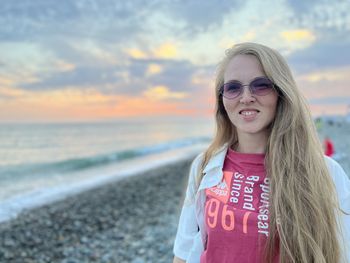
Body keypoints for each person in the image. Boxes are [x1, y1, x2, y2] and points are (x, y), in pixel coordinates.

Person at [172, 43, 350, 263]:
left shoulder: (325, 173)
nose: (246, 97)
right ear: (222, 99)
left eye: (261, 85)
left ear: (281, 93)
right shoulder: (204, 166)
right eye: (233, 87)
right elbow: (183, 251)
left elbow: (343, 253)